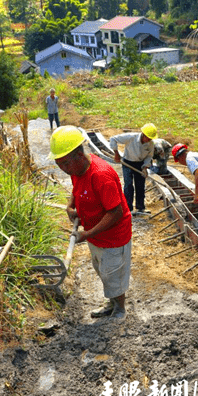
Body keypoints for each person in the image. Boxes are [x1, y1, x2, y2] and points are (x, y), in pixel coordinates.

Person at [49, 126, 132, 319]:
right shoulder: (76, 168)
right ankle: (111, 302)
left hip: (113, 237)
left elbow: (116, 212)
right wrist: (70, 206)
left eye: (64, 164)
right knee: (102, 270)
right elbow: (76, 187)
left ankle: (120, 309)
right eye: (58, 163)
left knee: (113, 273)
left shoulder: (101, 175)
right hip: (95, 233)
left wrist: (86, 234)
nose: (62, 168)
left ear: (79, 155)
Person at [109, 124, 157, 216]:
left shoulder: (150, 144)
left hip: (140, 164)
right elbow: (113, 139)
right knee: (128, 185)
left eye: (151, 138)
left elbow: (149, 156)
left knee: (140, 186)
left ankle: (140, 208)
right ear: (143, 134)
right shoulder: (131, 137)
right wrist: (116, 153)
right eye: (148, 137)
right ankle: (128, 208)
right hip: (128, 163)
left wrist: (145, 167)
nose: (149, 139)